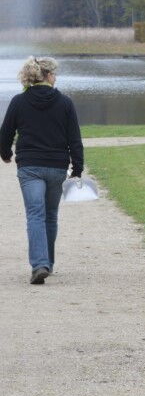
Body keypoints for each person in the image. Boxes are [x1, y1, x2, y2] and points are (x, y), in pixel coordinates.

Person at [0, 56, 85, 285]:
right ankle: (48, 263)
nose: (56, 78)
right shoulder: (65, 103)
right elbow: (74, 139)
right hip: (57, 166)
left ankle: (40, 264)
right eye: (54, 74)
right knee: (50, 215)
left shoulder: (19, 101)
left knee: (35, 214)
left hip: (29, 167)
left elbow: (5, 132)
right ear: (47, 76)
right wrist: (77, 168)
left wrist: (6, 153)